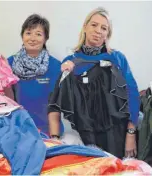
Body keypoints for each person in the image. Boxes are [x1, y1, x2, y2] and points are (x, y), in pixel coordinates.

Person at [48, 7, 139, 158]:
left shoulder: (117, 58)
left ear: (107, 34)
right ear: (85, 27)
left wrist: (131, 134)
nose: (98, 31)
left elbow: (133, 94)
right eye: (94, 25)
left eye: (104, 28)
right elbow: (54, 103)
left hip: (117, 133)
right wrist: (55, 139)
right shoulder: (70, 63)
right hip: (85, 137)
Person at [7, 14, 62, 135]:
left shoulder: (56, 66)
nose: (32, 38)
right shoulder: (8, 64)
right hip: (19, 129)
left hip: (47, 130)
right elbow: (7, 103)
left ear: (45, 38)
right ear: (22, 36)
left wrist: (55, 137)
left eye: (38, 34)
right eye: (28, 33)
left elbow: (56, 105)